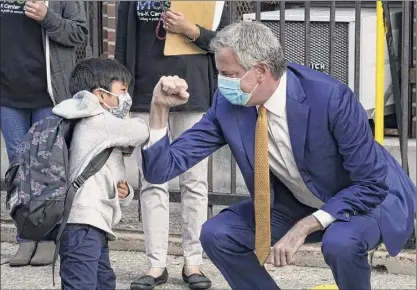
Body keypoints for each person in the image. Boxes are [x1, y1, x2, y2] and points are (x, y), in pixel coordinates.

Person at [140, 22, 416, 290]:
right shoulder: (228, 105)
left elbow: (370, 184)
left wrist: (305, 227)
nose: (222, 83)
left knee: (340, 243)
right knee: (218, 234)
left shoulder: (330, 98)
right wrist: (159, 109)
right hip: (297, 201)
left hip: (366, 200)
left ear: (261, 70)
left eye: (229, 74)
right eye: (219, 73)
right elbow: (160, 170)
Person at [115, 2, 229, 289]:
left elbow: (228, 42)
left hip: (195, 91)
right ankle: (156, 265)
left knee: (195, 181)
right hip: (145, 93)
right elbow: (124, 45)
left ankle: (194, 262)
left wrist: (192, 31)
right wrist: (123, 100)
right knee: (152, 181)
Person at [0, 1, 88, 267]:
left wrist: (47, 17)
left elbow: (79, 34)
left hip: (48, 95)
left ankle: (49, 238)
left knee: (47, 168)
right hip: (7, 93)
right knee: (18, 169)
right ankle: (26, 238)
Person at [51, 58, 150, 290]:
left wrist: (124, 193)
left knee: (103, 282)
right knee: (83, 285)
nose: (127, 97)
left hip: (92, 225)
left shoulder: (89, 121)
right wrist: (158, 107)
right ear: (101, 95)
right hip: (82, 224)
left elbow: (106, 178)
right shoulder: (97, 120)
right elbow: (140, 131)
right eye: (122, 90)